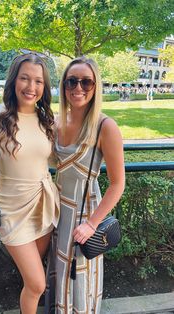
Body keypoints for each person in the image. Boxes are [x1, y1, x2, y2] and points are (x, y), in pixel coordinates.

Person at [0, 53, 60, 314]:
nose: (31, 87)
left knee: (32, 281)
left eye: (38, 81)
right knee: (37, 284)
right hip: (12, 211)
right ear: (13, 81)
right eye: (24, 78)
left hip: (44, 205)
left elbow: (56, 161)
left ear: (44, 87)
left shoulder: (48, 121)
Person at [45, 56, 125, 313]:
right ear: (64, 85)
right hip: (58, 213)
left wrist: (92, 224)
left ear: (95, 87)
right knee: (59, 275)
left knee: (80, 279)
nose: (78, 88)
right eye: (71, 81)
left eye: (86, 82)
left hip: (84, 215)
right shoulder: (56, 123)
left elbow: (117, 184)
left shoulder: (105, 126)